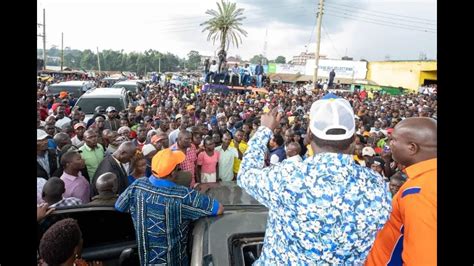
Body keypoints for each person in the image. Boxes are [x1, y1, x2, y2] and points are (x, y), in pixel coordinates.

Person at [237, 94, 391, 264]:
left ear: (309, 134)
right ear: (354, 138)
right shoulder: (377, 184)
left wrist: (264, 130)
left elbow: (246, 174)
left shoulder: (287, 176)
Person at [115, 148, 224, 265]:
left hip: (146, 261)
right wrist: (198, 195)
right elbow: (218, 209)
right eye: (178, 168)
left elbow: (119, 206)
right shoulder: (183, 195)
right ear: (172, 173)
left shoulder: (137, 185)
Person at [366, 117, 437, 265]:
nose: (389, 144)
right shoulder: (427, 178)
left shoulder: (419, 193)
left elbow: (422, 259)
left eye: (393, 140)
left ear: (412, 148)